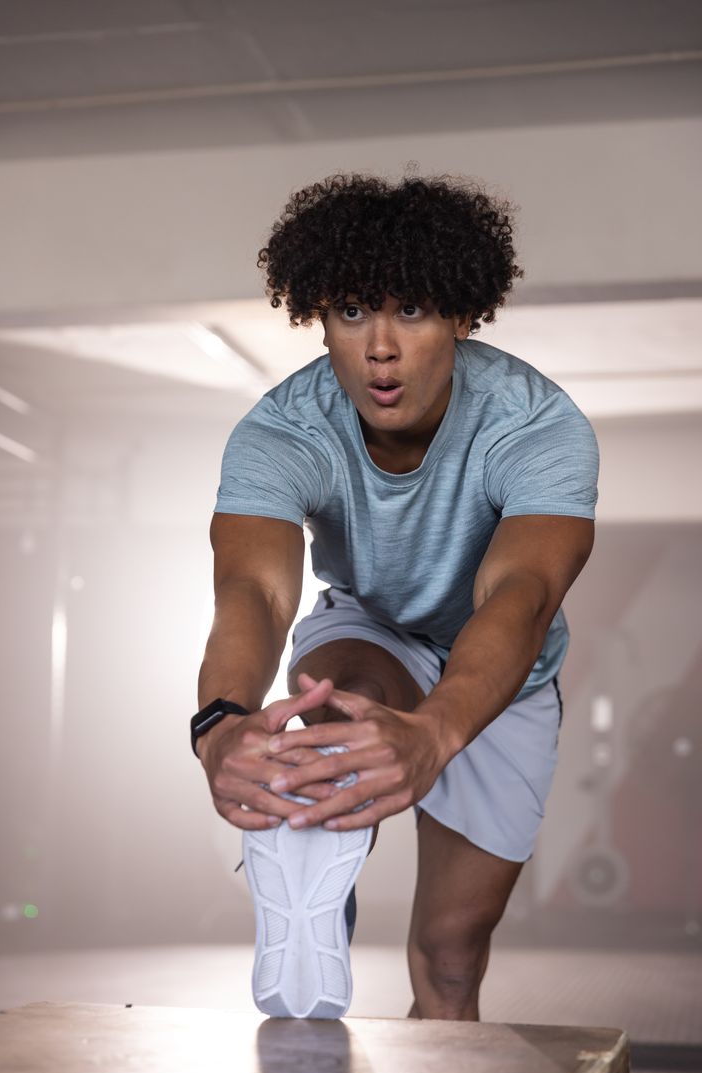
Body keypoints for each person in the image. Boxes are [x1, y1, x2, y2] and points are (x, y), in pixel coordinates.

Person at [192, 173, 599, 1022]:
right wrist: (221, 720)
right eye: (350, 312)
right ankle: (308, 880)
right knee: (344, 701)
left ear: (459, 313)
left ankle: (323, 830)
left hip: (505, 677)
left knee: (450, 961)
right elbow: (256, 593)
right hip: (371, 629)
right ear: (319, 319)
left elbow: (519, 594)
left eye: (410, 311)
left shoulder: (535, 424)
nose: (379, 347)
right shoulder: (283, 430)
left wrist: (440, 729)